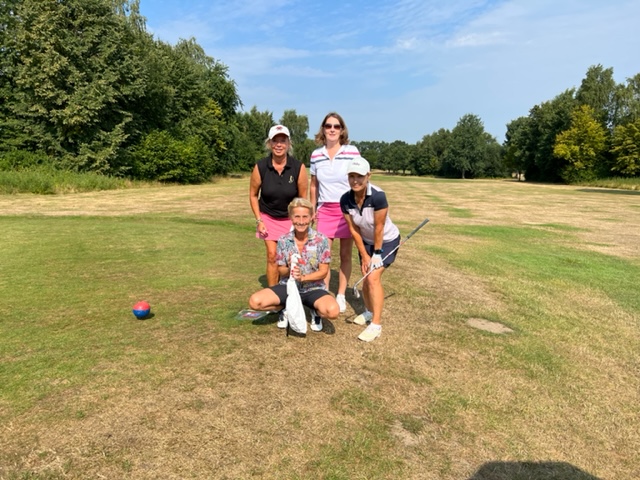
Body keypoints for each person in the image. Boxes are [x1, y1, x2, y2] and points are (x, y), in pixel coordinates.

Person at [248, 198, 339, 332]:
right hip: (288, 287)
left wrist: (303, 278)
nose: (301, 221)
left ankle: (315, 311)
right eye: (297, 216)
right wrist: (289, 269)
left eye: (305, 217)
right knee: (255, 302)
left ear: (311, 217)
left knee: (333, 312)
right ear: (290, 217)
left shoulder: (321, 240)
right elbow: (280, 270)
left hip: (313, 288)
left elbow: (323, 272)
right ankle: (284, 307)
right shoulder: (283, 240)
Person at [340, 156, 401, 342]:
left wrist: (376, 254)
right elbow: (354, 230)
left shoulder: (378, 196)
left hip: (387, 240)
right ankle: (368, 311)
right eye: (351, 176)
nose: (355, 180)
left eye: (359, 176)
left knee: (373, 278)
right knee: (366, 277)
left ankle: (376, 325)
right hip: (366, 241)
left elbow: (379, 228)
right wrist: (364, 255)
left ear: (368, 176)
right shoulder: (345, 199)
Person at [309, 112, 360, 313]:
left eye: (336, 126)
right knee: (324, 256)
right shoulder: (316, 155)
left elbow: (360, 179)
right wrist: (312, 208)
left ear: (342, 130)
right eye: (328, 126)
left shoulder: (351, 151)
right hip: (325, 210)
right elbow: (314, 185)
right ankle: (323, 294)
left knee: (345, 254)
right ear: (323, 129)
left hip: (347, 209)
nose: (332, 129)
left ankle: (340, 294)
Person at [250, 125, 308, 286]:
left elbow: (303, 198)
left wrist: (300, 221)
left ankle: (291, 290)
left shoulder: (298, 167)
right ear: (269, 143)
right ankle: (273, 292)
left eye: (283, 141)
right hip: (268, 217)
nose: (279, 144)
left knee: (290, 258)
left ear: (288, 144)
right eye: (275, 141)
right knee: (272, 255)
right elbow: (253, 195)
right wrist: (259, 220)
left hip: (290, 220)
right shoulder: (261, 166)